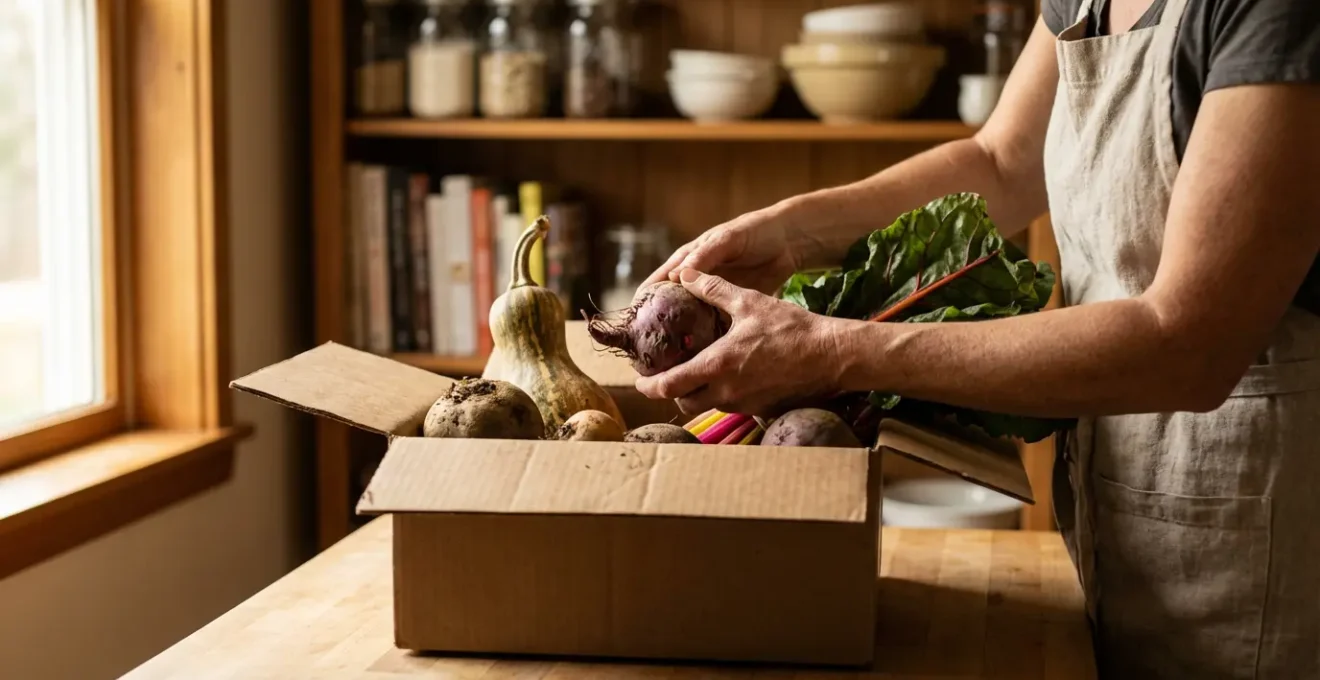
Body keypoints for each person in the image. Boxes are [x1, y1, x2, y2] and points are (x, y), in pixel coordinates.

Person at [633, 0, 1320, 677]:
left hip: (1254, 560)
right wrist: (793, 232)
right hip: (1125, 536)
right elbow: (1001, 162)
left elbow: (1187, 343)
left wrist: (834, 352)